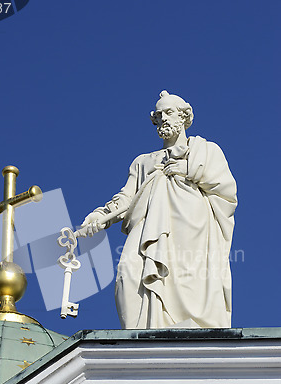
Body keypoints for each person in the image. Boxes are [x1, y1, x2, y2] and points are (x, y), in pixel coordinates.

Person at [81, 91, 237, 328]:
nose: (164, 118)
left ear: (183, 116)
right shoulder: (144, 161)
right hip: (148, 228)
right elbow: (126, 198)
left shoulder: (205, 151)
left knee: (186, 278)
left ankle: (190, 325)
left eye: (169, 112)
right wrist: (102, 215)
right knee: (128, 272)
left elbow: (226, 190)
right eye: (159, 114)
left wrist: (189, 169)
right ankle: (141, 335)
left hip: (191, 228)